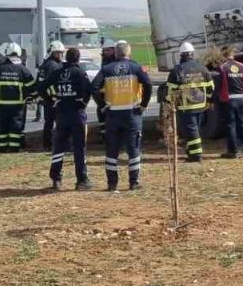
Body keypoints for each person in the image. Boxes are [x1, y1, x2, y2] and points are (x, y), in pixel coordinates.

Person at [91, 39, 152, 191]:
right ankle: (134, 182)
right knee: (133, 149)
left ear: (116, 53)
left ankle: (112, 184)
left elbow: (94, 87)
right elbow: (148, 84)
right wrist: (144, 104)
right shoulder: (135, 67)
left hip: (113, 115)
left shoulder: (107, 69)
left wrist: (103, 105)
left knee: (112, 150)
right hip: (132, 114)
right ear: (129, 52)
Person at [45, 47, 93, 191]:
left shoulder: (58, 73)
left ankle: (56, 179)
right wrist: (83, 102)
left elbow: (42, 87)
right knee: (79, 148)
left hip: (61, 114)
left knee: (59, 147)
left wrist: (52, 101)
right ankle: (82, 180)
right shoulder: (80, 73)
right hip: (77, 114)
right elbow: (89, 89)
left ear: (66, 58)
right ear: (78, 59)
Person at [163, 41, 215, 162]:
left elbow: (170, 90)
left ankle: (196, 155)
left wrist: (170, 103)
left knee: (191, 130)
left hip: (186, 106)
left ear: (181, 55)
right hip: (201, 105)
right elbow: (211, 87)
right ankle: (192, 151)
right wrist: (208, 99)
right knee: (196, 128)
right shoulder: (202, 68)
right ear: (192, 54)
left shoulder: (177, 70)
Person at [0, 42, 36, 153]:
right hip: (17, 104)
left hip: (1, 104)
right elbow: (32, 87)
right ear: (19, 54)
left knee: (3, 125)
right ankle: (14, 148)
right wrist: (34, 98)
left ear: (6, 54)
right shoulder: (23, 70)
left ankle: (2, 147)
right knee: (15, 125)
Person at [217, 52, 243, 158]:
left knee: (230, 125)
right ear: (233, 56)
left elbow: (219, 85)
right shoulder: (242, 66)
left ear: (223, 57)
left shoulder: (222, 67)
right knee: (242, 123)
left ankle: (233, 150)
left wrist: (214, 99)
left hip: (229, 99)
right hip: (241, 98)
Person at [36, 40, 66, 151]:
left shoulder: (44, 64)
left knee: (48, 123)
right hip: (54, 100)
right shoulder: (54, 66)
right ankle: (59, 144)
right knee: (59, 123)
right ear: (52, 53)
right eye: (58, 53)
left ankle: (47, 144)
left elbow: (39, 84)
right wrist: (55, 97)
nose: (60, 55)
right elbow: (53, 84)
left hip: (47, 99)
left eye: (61, 53)